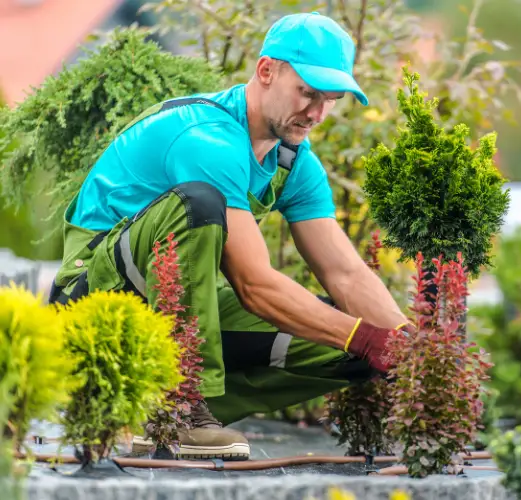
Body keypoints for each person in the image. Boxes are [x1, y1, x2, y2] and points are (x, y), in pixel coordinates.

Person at [48, 11, 413, 461]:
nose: (317, 113)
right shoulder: (207, 138)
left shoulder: (293, 163)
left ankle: (153, 415)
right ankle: (180, 412)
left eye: (331, 99)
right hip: (91, 301)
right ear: (266, 71)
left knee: (357, 348)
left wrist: (411, 350)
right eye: (307, 93)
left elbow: (347, 274)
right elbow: (254, 286)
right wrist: (361, 336)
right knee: (199, 202)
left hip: (173, 309)